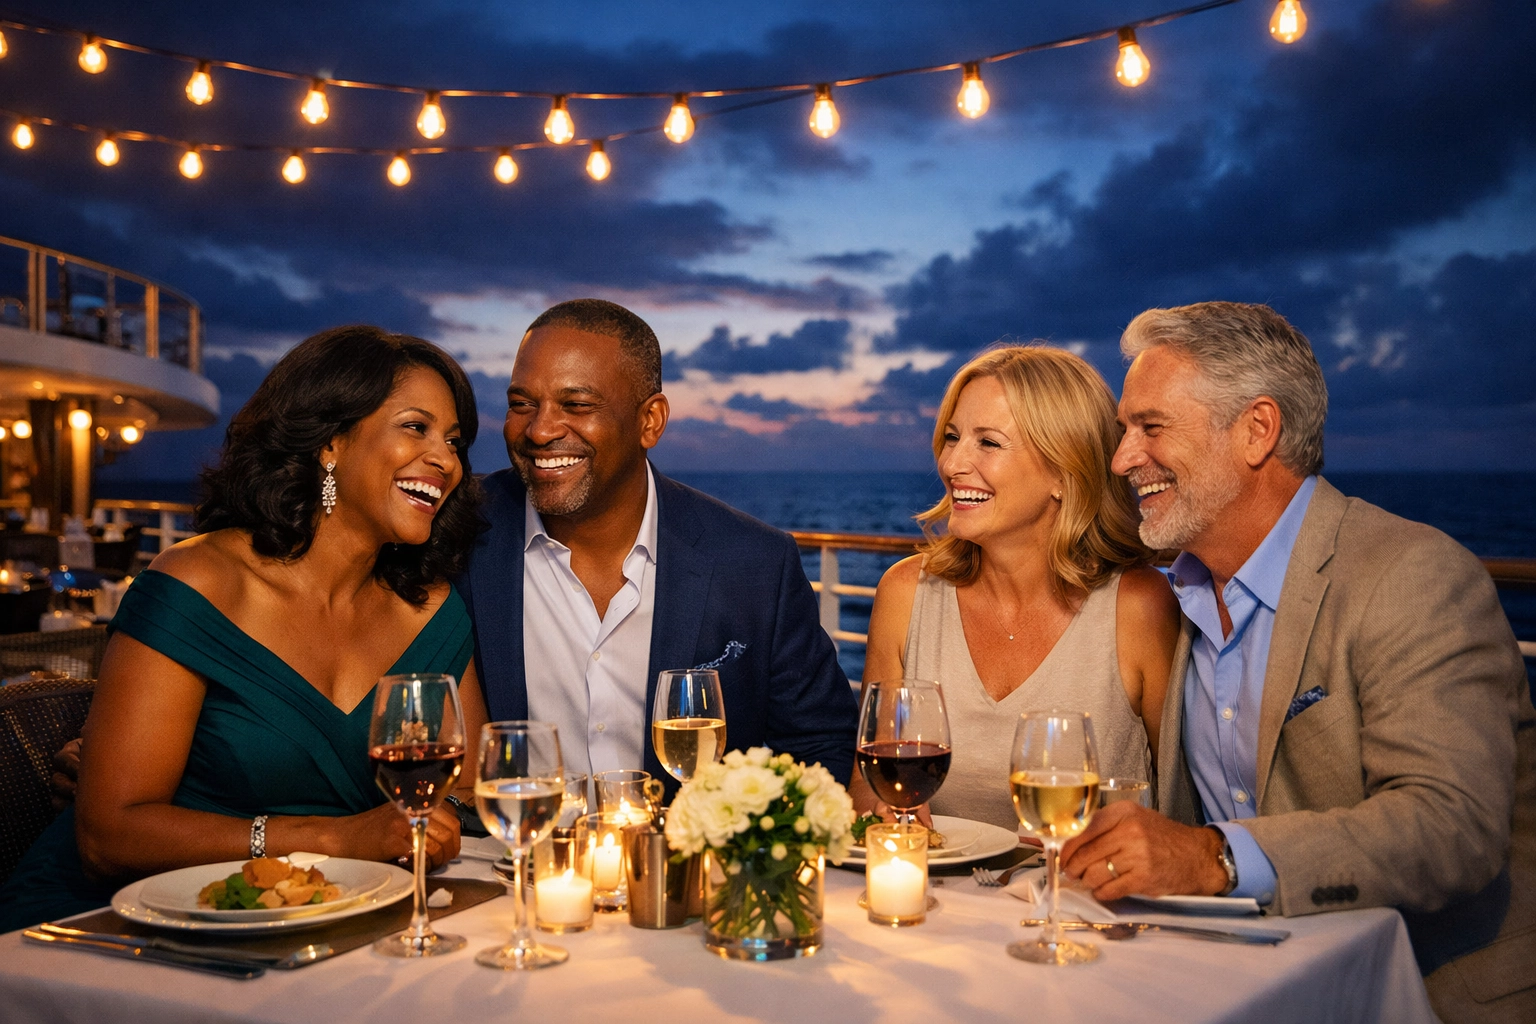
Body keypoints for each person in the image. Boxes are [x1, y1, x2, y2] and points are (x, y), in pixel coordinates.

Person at [1061, 301, 1534, 1024]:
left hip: (1417, 993)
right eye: (1126, 432)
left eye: (1149, 428)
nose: (1123, 459)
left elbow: (1454, 823)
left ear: (1257, 430)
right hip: (1240, 984)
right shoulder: (1173, 599)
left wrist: (1216, 857)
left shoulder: (1410, 573)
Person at [0, 325, 490, 932]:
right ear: (330, 441)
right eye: (415, 428)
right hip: (116, 923)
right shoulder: (200, 585)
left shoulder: (431, 611)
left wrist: (411, 831)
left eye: (454, 440)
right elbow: (110, 834)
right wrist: (332, 840)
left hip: (332, 918)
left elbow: (464, 794)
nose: (445, 460)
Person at [458, 299, 857, 791]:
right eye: (522, 404)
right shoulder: (459, 533)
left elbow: (821, 746)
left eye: (577, 405)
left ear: (651, 420)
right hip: (511, 859)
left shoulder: (754, 563)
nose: (540, 430)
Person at [860, 345, 1180, 829]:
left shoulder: (1140, 608)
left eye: (988, 442)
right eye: (952, 437)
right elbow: (866, 792)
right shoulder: (905, 594)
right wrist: (884, 814)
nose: (952, 464)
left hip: (1088, 903)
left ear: (1063, 471)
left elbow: (1182, 816)